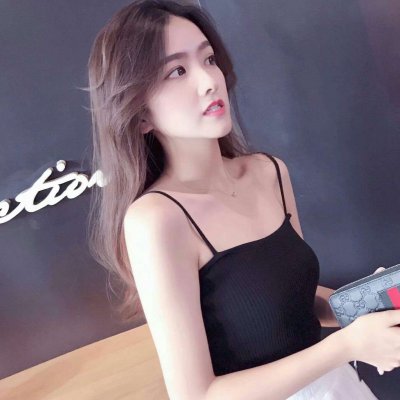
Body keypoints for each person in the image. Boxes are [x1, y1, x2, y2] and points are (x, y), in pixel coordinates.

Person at [85, 1, 400, 398]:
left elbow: (292, 305)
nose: (209, 80)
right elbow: (197, 394)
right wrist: (347, 346)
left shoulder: (268, 172)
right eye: (177, 71)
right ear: (141, 114)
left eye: (209, 59)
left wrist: (363, 307)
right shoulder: (156, 219)